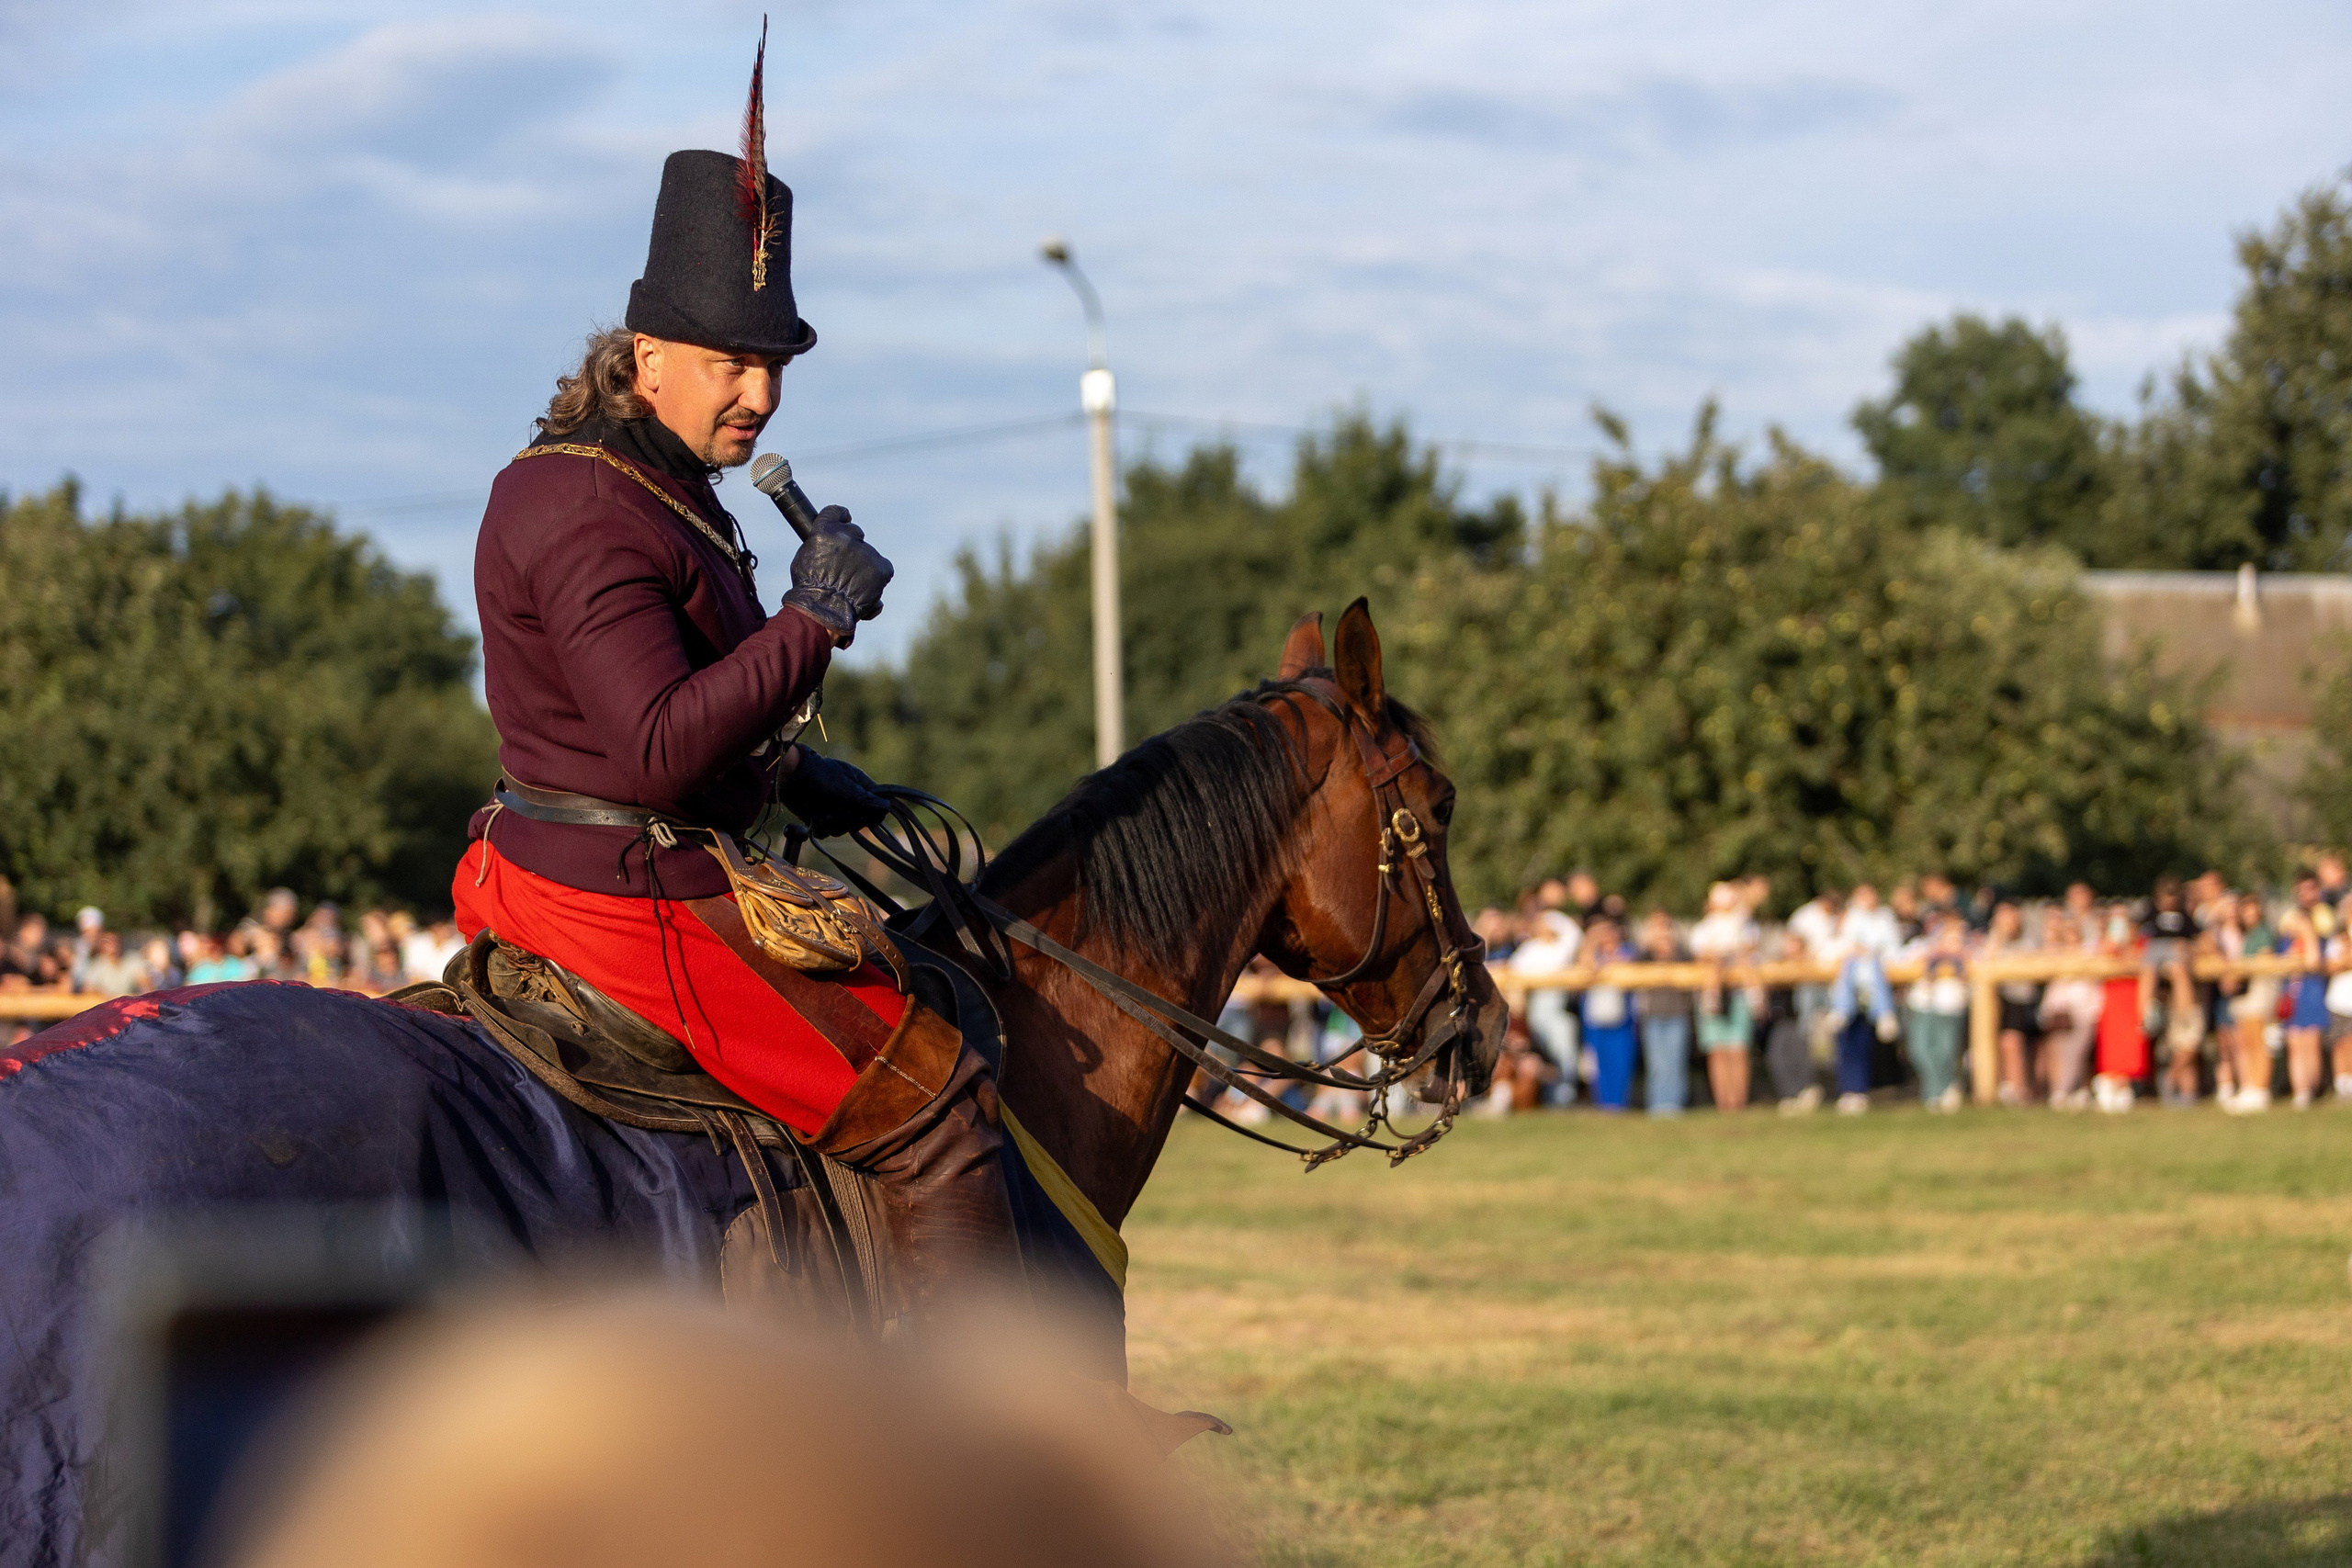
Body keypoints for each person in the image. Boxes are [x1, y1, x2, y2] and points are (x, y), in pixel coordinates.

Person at [444, 82, 1013, 1318]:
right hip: (617, 893)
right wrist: (814, 622)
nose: (755, 390)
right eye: (728, 360)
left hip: (618, 858)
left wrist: (804, 777)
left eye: (770, 363)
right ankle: (981, 1451)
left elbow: (670, 706)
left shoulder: (655, 481)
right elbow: (650, 751)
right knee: (936, 1100)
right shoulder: (592, 503)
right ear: (644, 355)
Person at [1688, 882, 1758, 1111]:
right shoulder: (1704, 928)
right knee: (1717, 1050)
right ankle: (1723, 1103)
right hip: (1713, 990)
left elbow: (1749, 949)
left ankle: (1738, 1102)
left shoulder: (1742, 924)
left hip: (1738, 994)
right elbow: (1702, 955)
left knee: (1738, 1049)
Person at [1507, 891, 1581, 1107]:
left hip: (1558, 1007)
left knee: (1565, 1054)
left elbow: (1574, 934)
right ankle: (1548, 1098)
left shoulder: (1561, 948)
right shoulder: (1529, 950)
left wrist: (1550, 914)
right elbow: (1512, 971)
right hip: (1538, 1008)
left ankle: (1564, 1098)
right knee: (1544, 1056)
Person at [1902, 915, 1970, 1111]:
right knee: (1920, 1050)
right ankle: (1937, 1089)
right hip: (1922, 1005)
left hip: (1950, 1007)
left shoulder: (1966, 955)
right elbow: (1901, 960)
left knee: (1945, 1052)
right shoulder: (1921, 949)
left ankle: (1941, 1090)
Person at [2219, 892, 2278, 1112]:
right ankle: (2249, 1086)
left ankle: (2260, 1088)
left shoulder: (2263, 934)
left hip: (2259, 989)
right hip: (2245, 991)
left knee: (2257, 1039)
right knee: (2245, 1040)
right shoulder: (2247, 935)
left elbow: (2264, 958)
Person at [2037, 914, 2101, 1111]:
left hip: (2083, 1009)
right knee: (2058, 1052)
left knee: (2076, 1052)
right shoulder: (2054, 953)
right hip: (2059, 1010)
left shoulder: (2090, 952)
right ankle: (2061, 1091)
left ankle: (2065, 1091)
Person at [1633, 910, 1692, 1116]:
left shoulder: (1682, 953)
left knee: (1675, 1061)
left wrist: (1672, 946)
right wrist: (1649, 944)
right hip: (1653, 1015)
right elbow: (1634, 964)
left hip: (1677, 1013)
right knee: (1656, 1063)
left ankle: (1674, 1105)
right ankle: (1657, 1106)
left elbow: (1691, 963)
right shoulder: (1645, 955)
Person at [1826, 884, 1902, 1043]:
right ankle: (1842, 1009)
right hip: (1857, 973)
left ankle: (1883, 1012)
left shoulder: (1885, 916)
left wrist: (1871, 951)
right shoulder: (1852, 917)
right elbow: (1846, 944)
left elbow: (1892, 945)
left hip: (1879, 968)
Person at [1982, 901, 2040, 1106]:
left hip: (2021, 1000)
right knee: (2001, 1043)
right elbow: (1984, 960)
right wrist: (1997, 936)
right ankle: (2008, 1086)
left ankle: (2020, 1089)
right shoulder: (1992, 941)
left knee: (2012, 1041)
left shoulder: (2029, 942)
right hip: (1996, 1001)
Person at [2092, 905, 2149, 1111]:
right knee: (2112, 1043)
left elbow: (2143, 964)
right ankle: (2109, 1083)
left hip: (2132, 1000)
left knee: (2131, 1042)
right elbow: (2100, 959)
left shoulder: (2142, 945)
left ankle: (2124, 1086)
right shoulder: (2108, 945)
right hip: (2113, 999)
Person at [1578, 919, 1637, 1111]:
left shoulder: (1628, 952)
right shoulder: (1592, 955)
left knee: (1620, 1062)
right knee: (1598, 1064)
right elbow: (1585, 962)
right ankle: (1603, 1103)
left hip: (1621, 1019)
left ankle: (1619, 1103)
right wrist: (1592, 940)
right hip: (1595, 1019)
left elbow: (1627, 964)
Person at [2278, 908, 2330, 1109]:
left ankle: (2312, 1088)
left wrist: (2308, 935)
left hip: (2311, 997)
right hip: (2292, 999)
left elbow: (2313, 961)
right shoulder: (2285, 942)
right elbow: (2281, 965)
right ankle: (2300, 1091)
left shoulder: (2320, 941)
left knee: (2310, 1044)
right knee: (2295, 1046)